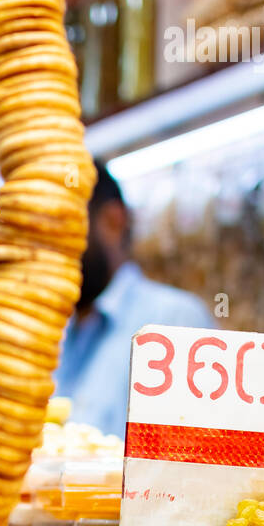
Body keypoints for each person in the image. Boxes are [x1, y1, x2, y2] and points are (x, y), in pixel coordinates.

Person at [55, 162, 215, 438]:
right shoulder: (53, 335)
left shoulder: (176, 322)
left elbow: (201, 467)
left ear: (113, 222)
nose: (46, 253)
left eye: (58, 231)